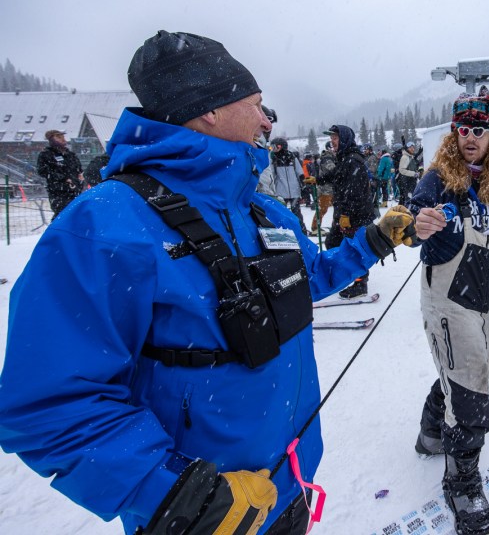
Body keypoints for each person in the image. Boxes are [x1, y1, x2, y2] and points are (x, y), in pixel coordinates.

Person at [0, 30, 415, 535]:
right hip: (205, 517)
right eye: (258, 105)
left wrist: (374, 240)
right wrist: (180, 497)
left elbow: (308, 279)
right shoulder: (105, 225)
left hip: (288, 485)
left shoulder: (260, 208)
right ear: (210, 109)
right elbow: (50, 403)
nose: (268, 120)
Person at [409, 86, 489, 535]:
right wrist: (419, 224)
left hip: (479, 299)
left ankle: (429, 433)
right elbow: (411, 219)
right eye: (463, 128)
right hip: (445, 298)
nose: (470, 136)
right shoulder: (438, 178)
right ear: (453, 134)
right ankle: (460, 481)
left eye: (479, 130)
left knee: (470, 369)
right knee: (470, 393)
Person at [324, 124, 377, 298]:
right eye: (331, 138)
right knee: (333, 242)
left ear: (345, 139)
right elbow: (336, 175)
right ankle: (345, 274)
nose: (332, 141)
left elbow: (353, 192)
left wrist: (346, 215)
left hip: (355, 214)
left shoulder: (352, 160)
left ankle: (361, 283)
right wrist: (317, 179)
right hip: (346, 212)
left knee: (354, 249)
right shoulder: (345, 158)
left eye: (336, 138)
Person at [36, 129, 83, 219]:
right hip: (58, 192)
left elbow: (79, 169)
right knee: (62, 215)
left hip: (75, 191)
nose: (62, 139)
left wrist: (79, 179)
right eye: (58, 137)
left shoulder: (70, 154)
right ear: (51, 139)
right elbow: (42, 171)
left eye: (62, 136)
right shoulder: (46, 154)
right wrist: (63, 178)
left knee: (76, 215)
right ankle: (55, 232)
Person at [270, 136, 309, 234]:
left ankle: (301, 232)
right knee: (281, 214)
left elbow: (299, 173)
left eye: (276, 147)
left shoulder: (291, 157)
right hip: (281, 192)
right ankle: (284, 232)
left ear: (282, 146)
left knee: (296, 213)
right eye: (272, 147)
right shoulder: (273, 159)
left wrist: (304, 187)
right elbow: (271, 175)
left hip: (294, 191)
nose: (274, 150)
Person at [309, 141, 336, 235]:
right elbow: (333, 171)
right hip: (326, 189)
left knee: (336, 208)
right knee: (322, 208)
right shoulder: (328, 158)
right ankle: (315, 227)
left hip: (330, 188)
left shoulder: (331, 157)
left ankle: (336, 225)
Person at [256, 105, 278, 198]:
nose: (269, 127)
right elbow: (262, 177)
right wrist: (267, 197)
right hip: (260, 199)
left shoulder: (263, 146)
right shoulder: (256, 146)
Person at [397, 140, 420, 206]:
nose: (413, 149)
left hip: (411, 181)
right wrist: (414, 174)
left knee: (412, 197)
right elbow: (402, 170)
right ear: (407, 149)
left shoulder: (410, 157)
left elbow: (412, 167)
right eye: (410, 147)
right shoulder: (405, 157)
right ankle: (408, 212)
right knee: (409, 199)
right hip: (407, 181)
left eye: (413, 147)